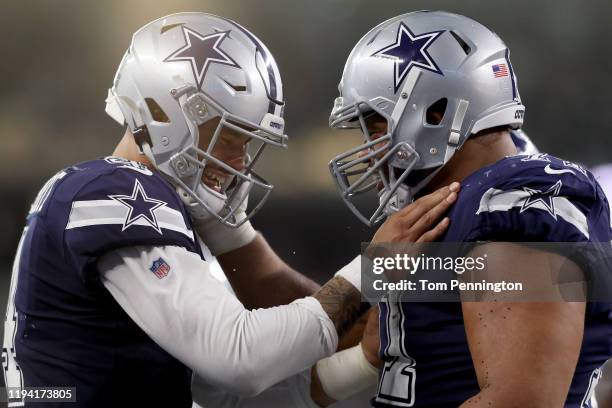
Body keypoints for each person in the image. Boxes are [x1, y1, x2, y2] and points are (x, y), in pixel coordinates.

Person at [1, 12, 457, 408]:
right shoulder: (112, 191)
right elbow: (241, 359)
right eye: (232, 137)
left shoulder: (113, 195)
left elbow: (226, 397)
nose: (239, 162)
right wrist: (371, 270)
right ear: (167, 114)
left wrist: (363, 361)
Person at [324, 10, 612, 407]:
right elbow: (325, 351)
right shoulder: (448, 208)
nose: (370, 149)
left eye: (375, 127)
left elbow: (520, 402)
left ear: (435, 113)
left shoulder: (508, 206)